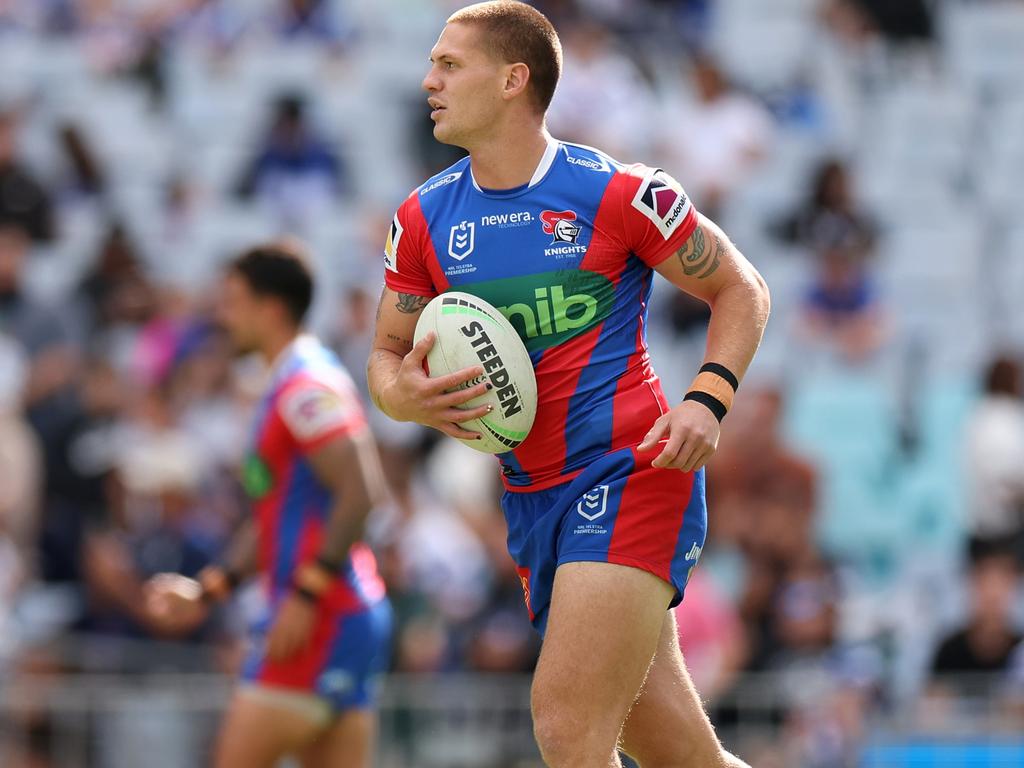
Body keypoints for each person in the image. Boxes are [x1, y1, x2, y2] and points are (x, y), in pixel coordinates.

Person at [366, 3, 770, 766]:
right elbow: (385, 363)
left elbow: (741, 290)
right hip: (531, 497)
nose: (428, 81)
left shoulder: (619, 192)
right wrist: (403, 397)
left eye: (450, 64)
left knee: (565, 724)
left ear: (515, 79)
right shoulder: (421, 220)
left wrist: (707, 397)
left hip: (631, 469)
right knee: (683, 755)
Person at [145, 242, 392, 768]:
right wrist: (209, 591)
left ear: (272, 309)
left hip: (317, 618)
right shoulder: (288, 380)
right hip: (340, 614)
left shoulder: (306, 385)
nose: (222, 314)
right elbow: (275, 518)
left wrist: (307, 592)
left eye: (232, 301)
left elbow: (362, 489)